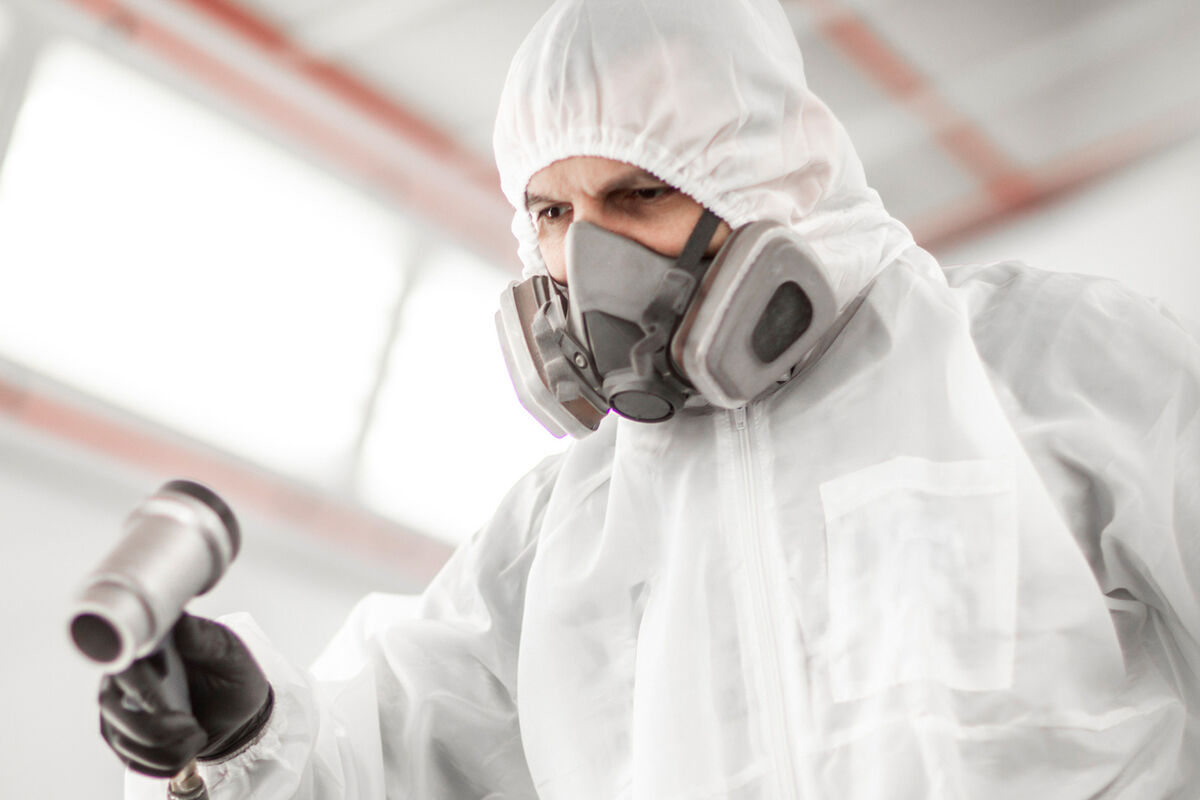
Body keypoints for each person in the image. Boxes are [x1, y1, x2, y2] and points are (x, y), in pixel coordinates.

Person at [100, 0, 1200, 797]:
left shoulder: (1053, 363)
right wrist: (249, 730)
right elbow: (382, 754)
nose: (590, 264)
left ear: (775, 179)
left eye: (638, 193)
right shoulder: (556, 533)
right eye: (551, 212)